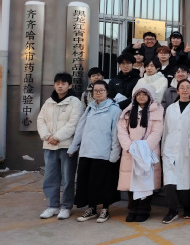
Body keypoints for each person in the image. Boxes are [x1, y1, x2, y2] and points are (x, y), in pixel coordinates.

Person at [68, 80, 121, 223]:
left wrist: (115, 153)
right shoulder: (90, 108)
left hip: (103, 153)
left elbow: (116, 134)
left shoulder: (114, 110)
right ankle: (91, 209)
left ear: (107, 92)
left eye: (101, 90)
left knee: (103, 183)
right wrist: (74, 146)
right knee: (87, 182)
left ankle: (105, 209)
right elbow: (80, 129)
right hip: (87, 151)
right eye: (95, 91)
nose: (98, 93)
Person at [38, 73, 83, 220]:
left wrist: (56, 137)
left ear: (70, 85)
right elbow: (40, 120)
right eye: (57, 83)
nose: (60, 86)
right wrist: (47, 137)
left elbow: (73, 123)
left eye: (63, 83)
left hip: (66, 146)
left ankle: (66, 206)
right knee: (50, 177)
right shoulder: (48, 102)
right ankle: (53, 205)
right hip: (49, 146)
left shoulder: (75, 102)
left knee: (68, 178)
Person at [117, 84, 164, 222]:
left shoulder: (157, 110)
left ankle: (144, 210)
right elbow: (122, 131)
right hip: (131, 152)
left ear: (150, 96)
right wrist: (130, 147)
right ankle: (132, 209)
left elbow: (157, 132)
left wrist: (144, 148)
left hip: (148, 151)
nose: (141, 97)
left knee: (145, 182)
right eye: (139, 94)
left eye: (144, 94)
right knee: (131, 183)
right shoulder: (128, 111)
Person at [162, 80, 190, 223]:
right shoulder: (171, 108)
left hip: (187, 148)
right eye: (182, 87)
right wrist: (163, 149)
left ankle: (187, 208)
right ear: (177, 91)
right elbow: (166, 130)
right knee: (169, 180)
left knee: (185, 180)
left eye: (187, 87)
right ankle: (172, 211)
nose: (184, 90)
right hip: (170, 148)